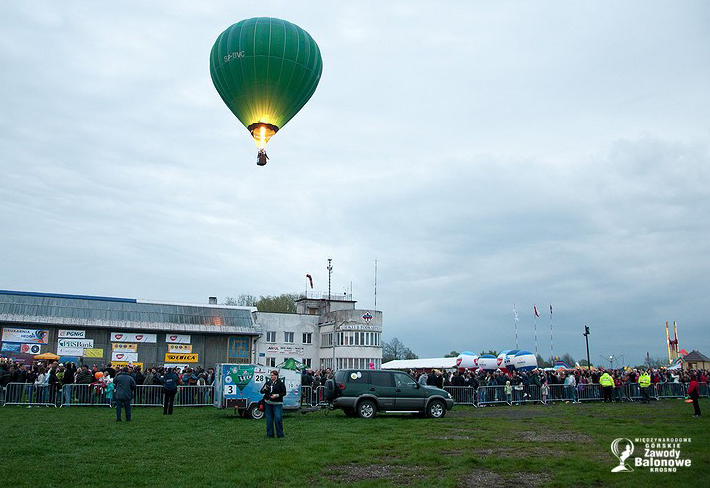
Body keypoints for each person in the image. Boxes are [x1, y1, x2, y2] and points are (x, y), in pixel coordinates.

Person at [261, 370, 286, 438]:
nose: (271, 377)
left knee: (278, 418)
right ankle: (270, 435)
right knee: (269, 420)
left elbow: (284, 393)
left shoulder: (280, 383)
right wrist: (264, 389)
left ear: (276, 376)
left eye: (272, 375)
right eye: (271, 375)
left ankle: (280, 435)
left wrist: (276, 395)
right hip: (268, 403)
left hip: (277, 403)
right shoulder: (268, 383)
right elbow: (261, 391)